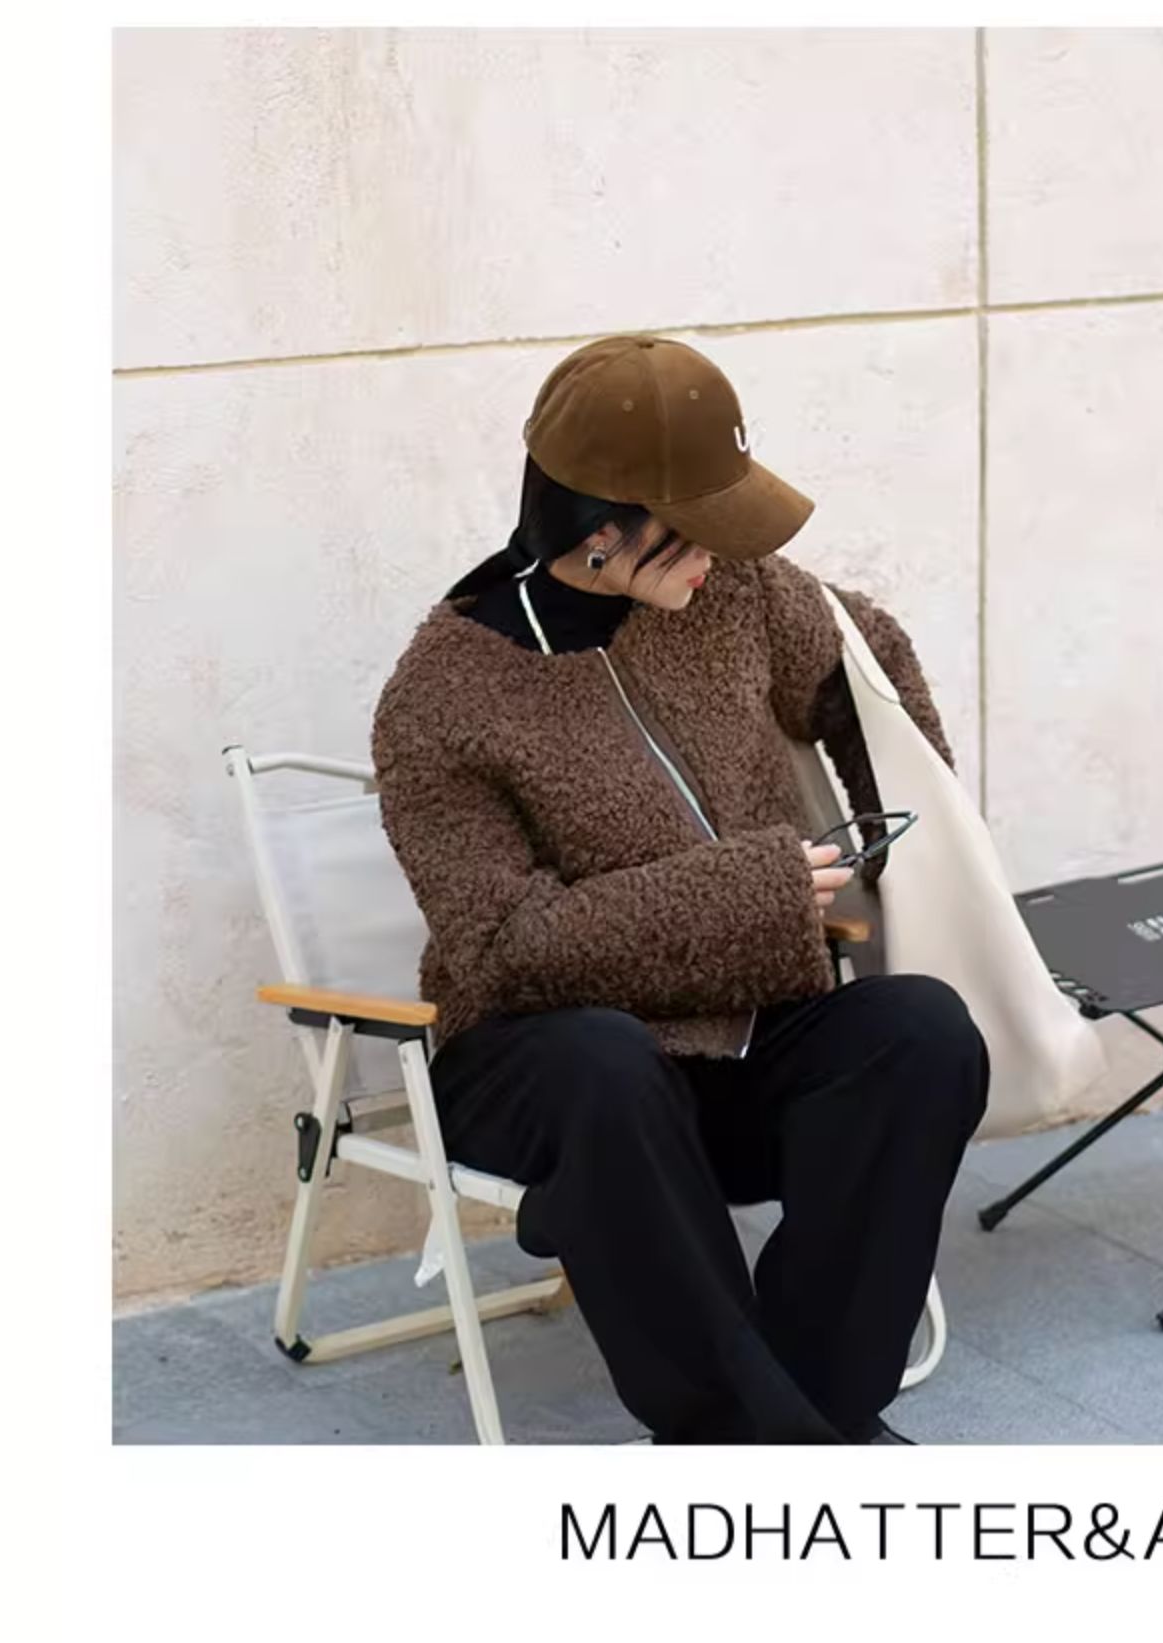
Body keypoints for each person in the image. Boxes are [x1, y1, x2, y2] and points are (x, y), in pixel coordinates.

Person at [371, 334, 990, 1445]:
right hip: (546, 1069)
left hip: (743, 1043)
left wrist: (898, 841)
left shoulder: (736, 596)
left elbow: (867, 665)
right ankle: (743, 1441)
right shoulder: (442, 697)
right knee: (606, 1063)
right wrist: (749, 893)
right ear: (598, 530)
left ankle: (819, 1411)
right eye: (699, 526)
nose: (724, 553)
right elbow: (506, 946)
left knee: (920, 1034)